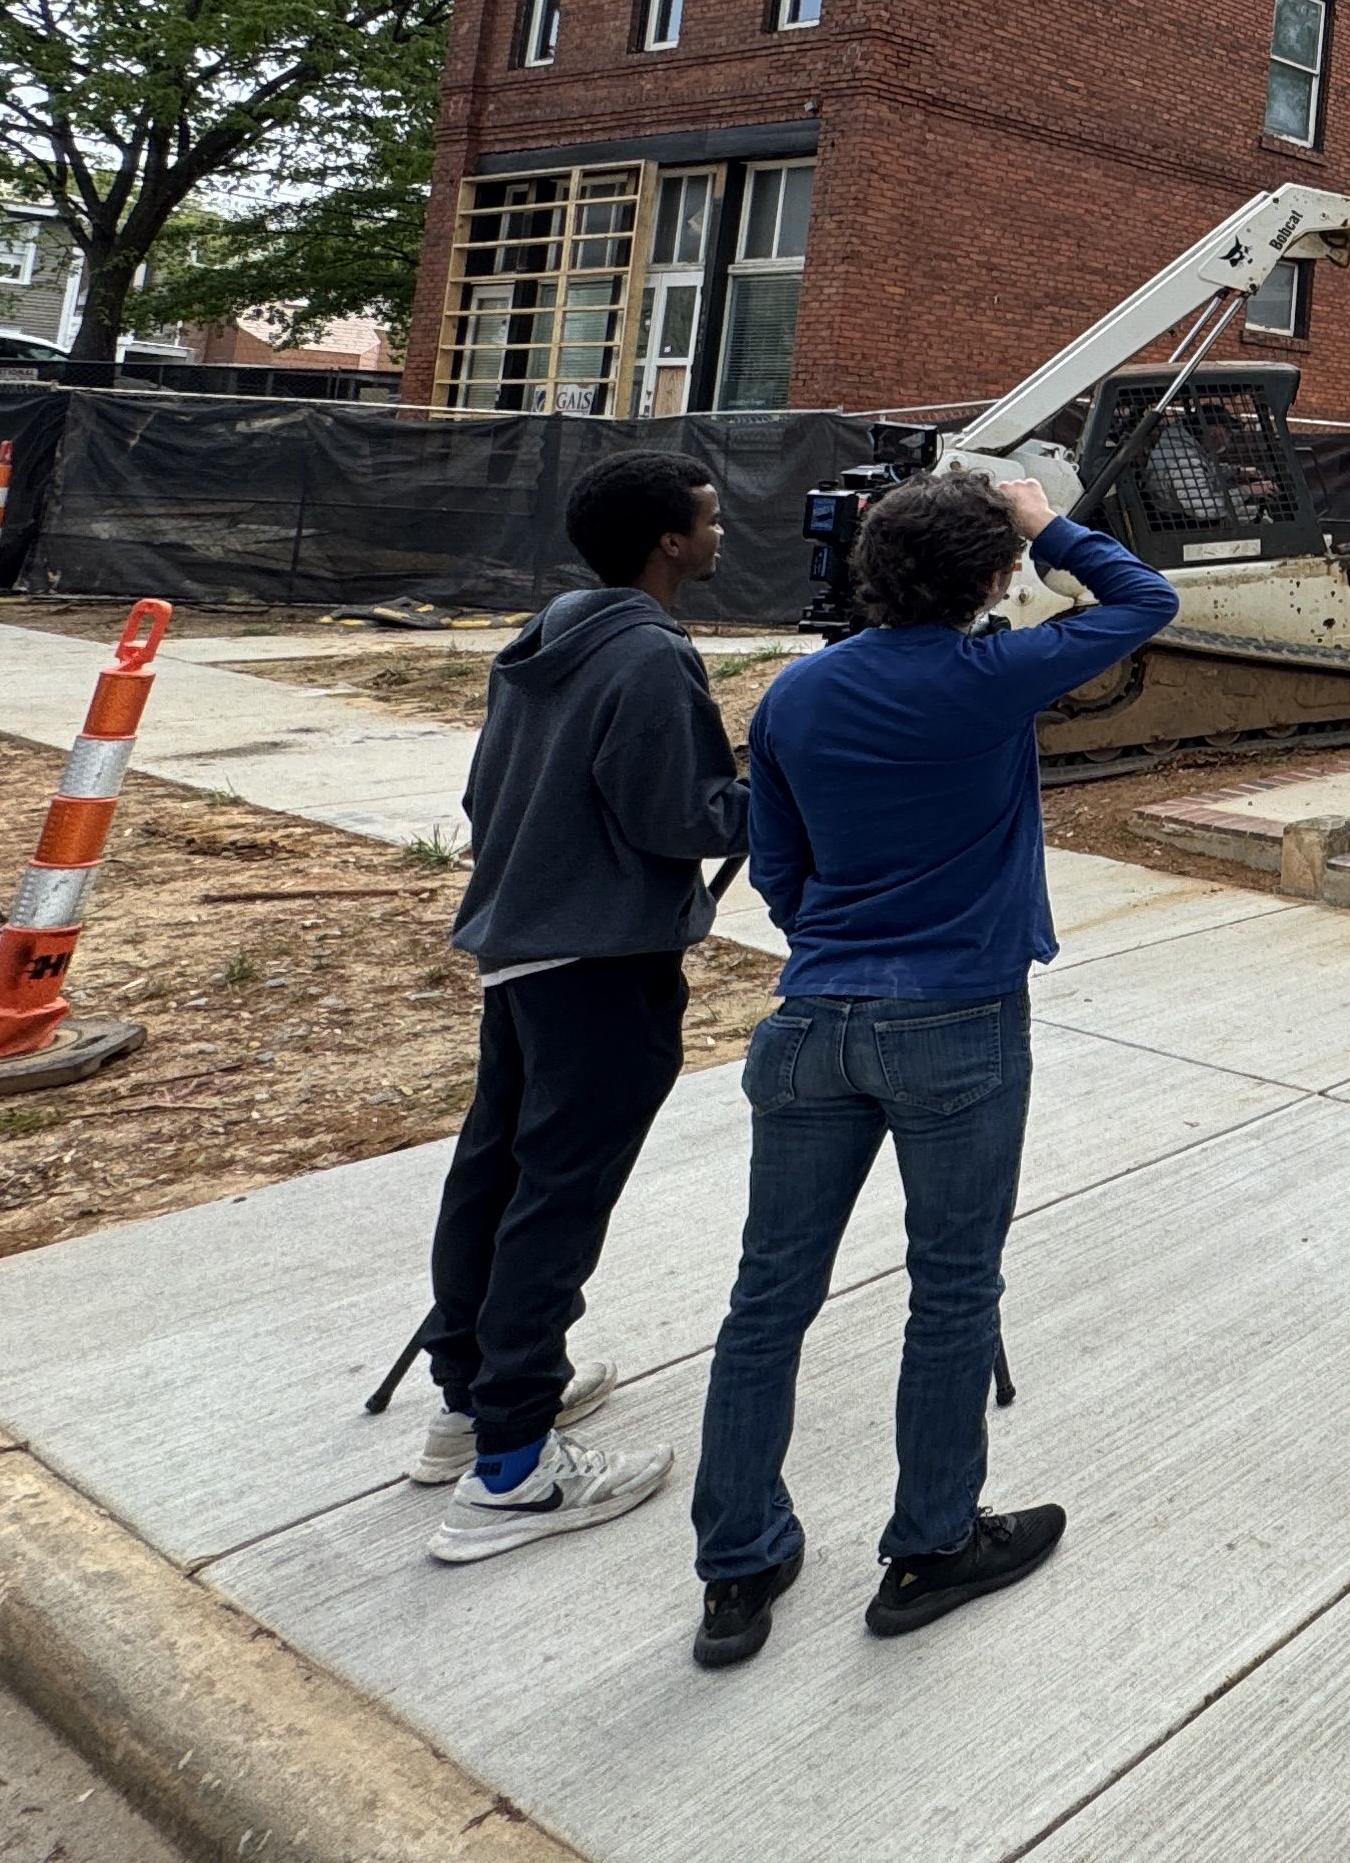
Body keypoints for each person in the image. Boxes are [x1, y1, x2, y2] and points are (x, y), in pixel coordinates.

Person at [685, 471, 1173, 1673]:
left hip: (810, 1025)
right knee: (952, 1290)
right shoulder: (992, 679)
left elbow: (779, 870)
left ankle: (737, 1567)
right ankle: (929, 1546)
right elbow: (1141, 599)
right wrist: (1041, 518)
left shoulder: (797, 695)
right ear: (991, 576)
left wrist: (842, 950)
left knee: (767, 1299)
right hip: (957, 1018)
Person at [412, 451, 748, 1563]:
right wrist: (771, 790)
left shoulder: (552, 633)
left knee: (496, 1169)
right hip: (601, 962)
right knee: (557, 1196)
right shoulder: (651, 660)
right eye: (705, 520)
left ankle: (470, 1403)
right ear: (667, 543)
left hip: (519, 946)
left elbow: (482, 793)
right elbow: (678, 819)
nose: (717, 534)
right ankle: (513, 1467)